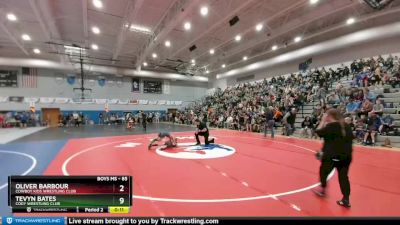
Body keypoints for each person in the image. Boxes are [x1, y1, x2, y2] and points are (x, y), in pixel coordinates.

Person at [313, 109, 354, 208]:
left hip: (332, 157)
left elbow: (317, 132)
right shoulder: (346, 126)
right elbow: (347, 141)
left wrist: (322, 121)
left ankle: (323, 191)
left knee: (323, 172)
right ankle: (346, 199)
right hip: (346, 157)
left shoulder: (330, 126)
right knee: (343, 177)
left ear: (329, 116)